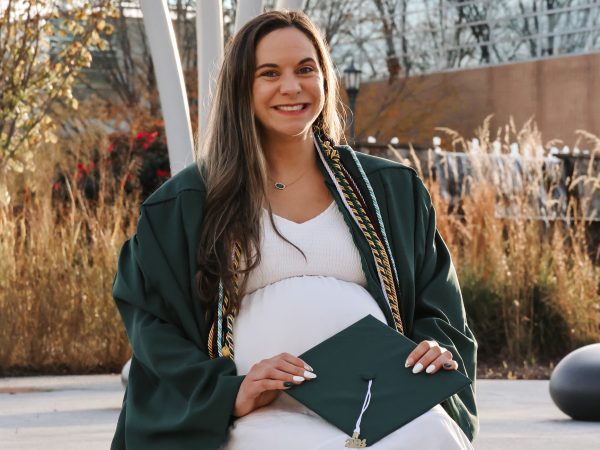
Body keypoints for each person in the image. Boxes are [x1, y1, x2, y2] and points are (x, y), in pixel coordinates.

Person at [110, 10, 478, 450]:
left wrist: (432, 347)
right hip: (258, 410)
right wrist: (229, 393)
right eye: (270, 73)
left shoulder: (390, 191)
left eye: (306, 69)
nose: (292, 86)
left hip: (378, 402)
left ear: (325, 78)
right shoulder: (185, 204)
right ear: (241, 87)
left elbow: (440, 306)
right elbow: (153, 326)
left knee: (437, 441)